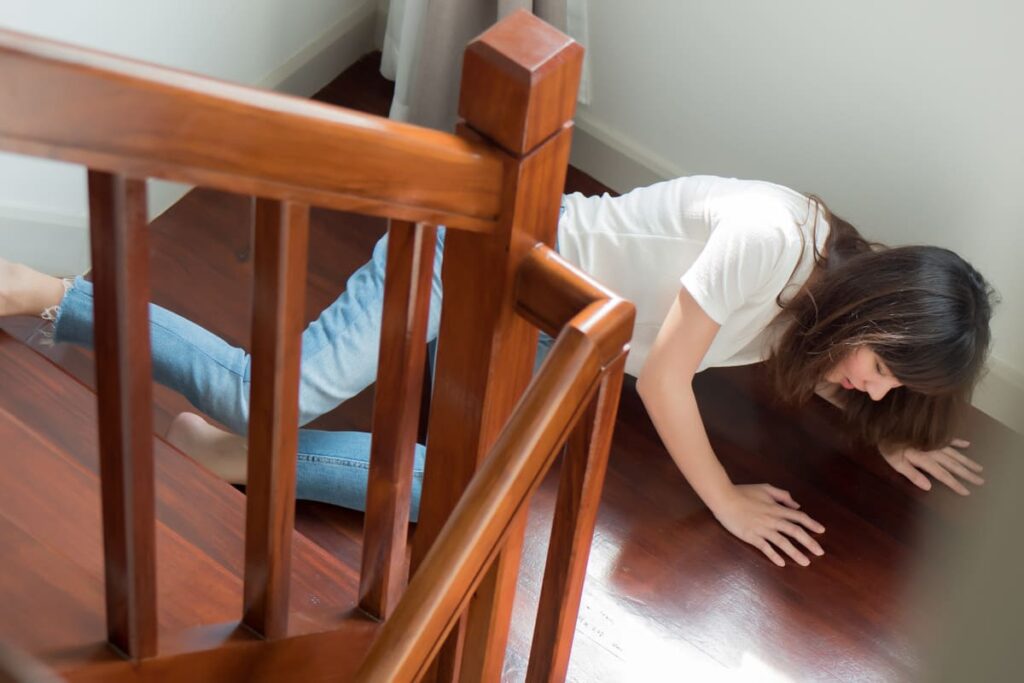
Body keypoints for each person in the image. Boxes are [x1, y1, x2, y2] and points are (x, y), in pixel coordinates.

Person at [0, 175, 995, 567]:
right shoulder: (770, 238)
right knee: (268, 390)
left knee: (466, 491)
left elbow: (835, 370)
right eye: (883, 368)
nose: (867, 385)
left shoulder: (825, 307)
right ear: (874, 308)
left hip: (526, 325)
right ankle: (48, 294)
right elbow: (661, 381)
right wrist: (728, 500)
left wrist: (899, 429)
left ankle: (241, 458)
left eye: (889, 385)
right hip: (456, 257)